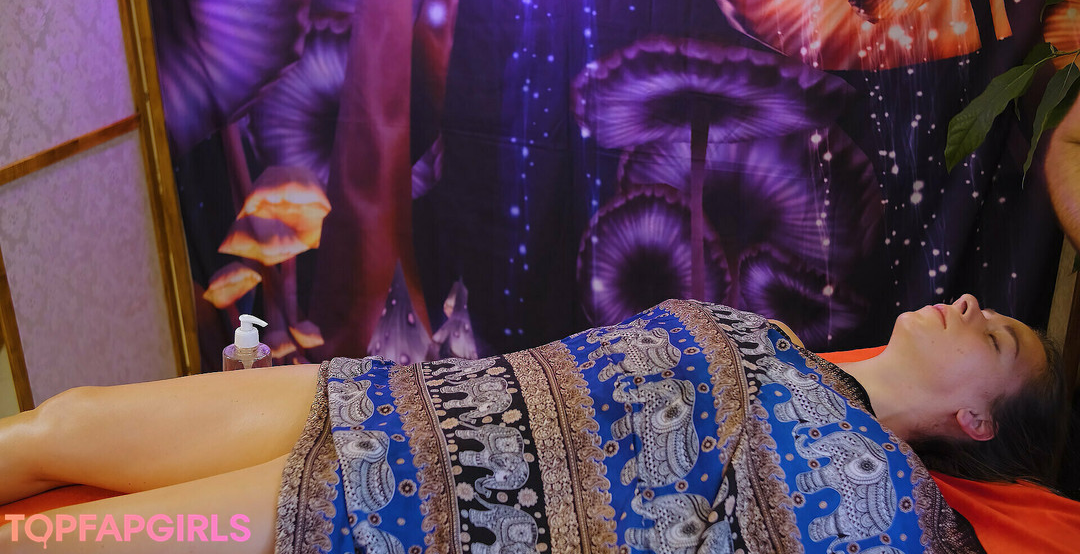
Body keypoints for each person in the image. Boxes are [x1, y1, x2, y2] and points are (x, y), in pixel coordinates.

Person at [0, 294, 1067, 553]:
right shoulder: (781, 335)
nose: (972, 303)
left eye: (999, 335)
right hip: (387, 397)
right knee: (63, 424)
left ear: (978, 418)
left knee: (50, 540)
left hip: (394, 509)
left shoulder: (880, 493)